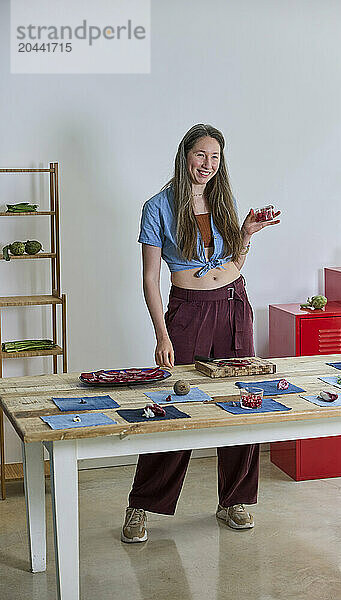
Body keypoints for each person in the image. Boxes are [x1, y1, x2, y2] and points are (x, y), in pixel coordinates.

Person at [122, 124, 281, 543]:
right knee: (174, 407)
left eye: (215, 157)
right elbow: (150, 278)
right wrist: (162, 333)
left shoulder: (223, 201)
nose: (207, 165)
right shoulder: (157, 207)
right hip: (187, 312)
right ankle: (141, 505)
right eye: (200, 155)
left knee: (243, 402)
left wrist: (245, 235)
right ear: (185, 155)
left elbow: (235, 264)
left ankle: (234, 500)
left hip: (233, 305)